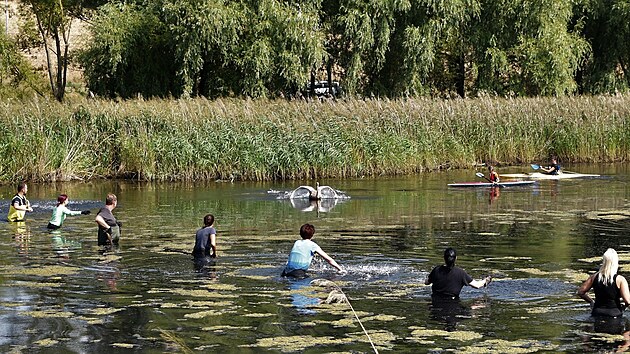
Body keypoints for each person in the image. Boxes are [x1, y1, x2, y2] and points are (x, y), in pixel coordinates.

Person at [577, 248, 630, 317]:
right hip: (614, 314)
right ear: (615, 262)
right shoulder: (620, 279)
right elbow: (628, 301)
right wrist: (624, 307)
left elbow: (580, 292)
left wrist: (591, 301)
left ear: (604, 261)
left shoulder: (594, 277)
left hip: (597, 313)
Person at [425, 247, 492, 300]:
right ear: (456, 258)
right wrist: (486, 280)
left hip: (435, 305)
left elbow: (426, 282)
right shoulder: (460, 273)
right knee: (473, 310)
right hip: (454, 306)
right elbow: (477, 285)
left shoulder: (436, 270)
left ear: (444, 258)